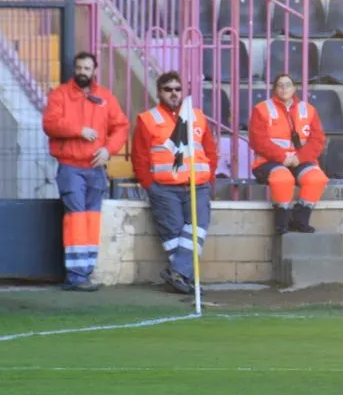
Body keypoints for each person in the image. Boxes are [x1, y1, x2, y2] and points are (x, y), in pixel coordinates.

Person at [42, 51, 130, 292]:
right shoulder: (60, 95)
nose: (82, 72)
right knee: (77, 219)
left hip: (95, 167)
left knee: (90, 220)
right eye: (79, 68)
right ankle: (76, 275)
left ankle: (85, 272)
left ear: (94, 71)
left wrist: (108, 150)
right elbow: (50, 123)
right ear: (74, 68)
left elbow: (121, 127)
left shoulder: (105, 97)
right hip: (71, 166)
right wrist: (78, 130)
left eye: (87, 69)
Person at [131, 71, 219, 294]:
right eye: (168, 89)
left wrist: (209, 176)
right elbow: (139, 157)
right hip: (164, 188)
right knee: (173, 233)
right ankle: (183, 277)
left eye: (177, 89)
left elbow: (210, 150)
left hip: (196, 185)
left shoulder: (197, 117)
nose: (173, 93)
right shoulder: (148, 119)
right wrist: (149, 185)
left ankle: (178, 273)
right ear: (160, 92)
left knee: (197, 230)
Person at [249, 73, 328, 234]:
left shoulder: (309, 110)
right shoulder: (261, 109)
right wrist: (283, 157)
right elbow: (258, 141)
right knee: (283, 179)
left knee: (317, 179)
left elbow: (317, 140)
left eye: (288, 85)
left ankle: (300, 220)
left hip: (300, 161)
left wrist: (299, 158)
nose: (284, 88)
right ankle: (282, 222)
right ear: (274, 88)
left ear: (294, 88)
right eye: (280, 85)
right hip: (269, 161)